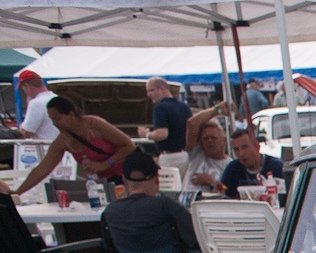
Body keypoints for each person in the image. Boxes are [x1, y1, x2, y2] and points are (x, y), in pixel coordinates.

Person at [0, 96, 135, 197]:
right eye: (51, 119)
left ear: (71, 115)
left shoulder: (94, 125)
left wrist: (105, 164)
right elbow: (43, 169)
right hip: (105, 184)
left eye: (58, 119)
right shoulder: (62, 141)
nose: (54, 123)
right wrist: (18, 192)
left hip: (127, 176)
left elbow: (129, 146)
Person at [218, 128, 285, 199]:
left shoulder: (275, 166)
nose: (241, 153)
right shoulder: (233, 168)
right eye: (236, 149)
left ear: (257, 147)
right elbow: (225, 194)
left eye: (245, 147)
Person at [182, 102, 233, 189]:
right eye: (205, 138)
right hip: (190, 196)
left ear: (223, 141)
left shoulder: (230, 165)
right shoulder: (197, 154)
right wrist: (217, 109)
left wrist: (212, 182)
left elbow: (229, 191)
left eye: (213, 138)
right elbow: (192, 123)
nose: (209, 141)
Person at [144, 77, 192, 155]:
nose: (148, 94)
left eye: (151, 90)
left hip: (169, 155)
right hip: (185, 154)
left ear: (162, 89)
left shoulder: (160, 108)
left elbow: (162, 134)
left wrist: (147, 134)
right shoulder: (184, 107)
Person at [15, 70, 59, 143]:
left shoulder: (36, 103)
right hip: (61, 146)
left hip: (45, 147)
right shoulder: (58, 99)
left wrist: (21, 126)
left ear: (27, 86)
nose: (25, 92)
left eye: (23, 88)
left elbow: (26, 132)